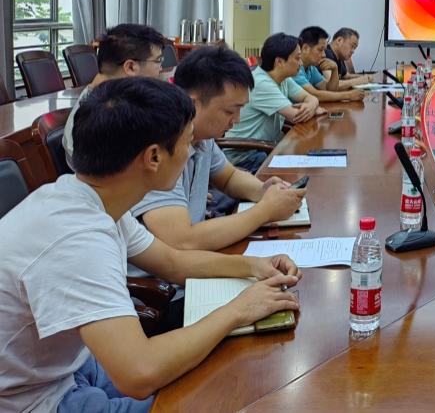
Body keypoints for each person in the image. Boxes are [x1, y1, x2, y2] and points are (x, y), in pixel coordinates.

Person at [0, 77, 301, 413]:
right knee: (218, 398)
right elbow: (139, 373)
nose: (192, 152)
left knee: (219, 374)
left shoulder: (89, 197)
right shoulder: (77, 238)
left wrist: (253, 266)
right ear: (154, 157)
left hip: (71, 366)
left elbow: (172, 262)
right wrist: (238, 310)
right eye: (188, 143)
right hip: (35, 400)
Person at [128, 47, 307, 330]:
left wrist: (264, 191)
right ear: (193, 104)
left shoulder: (201, 138)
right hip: (161, 296)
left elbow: (229, 177)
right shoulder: (160, 152)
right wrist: (265, 211)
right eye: (230, 111)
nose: (237, 121)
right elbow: (181, 242)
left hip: (188, 272)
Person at [63, 24, 167, 166]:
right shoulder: (99, 121)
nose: (161, 69)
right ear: (130, 67)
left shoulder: (118, 99)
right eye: (158, 61)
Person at [221, 33, 322, 173]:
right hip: (245, 157)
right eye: (297, 58)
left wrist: (312, 103)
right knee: (302, 169)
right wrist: (313, 107)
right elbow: (296, 116)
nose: (300, 63)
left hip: (264, 148)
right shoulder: (262, 83)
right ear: (279, 62)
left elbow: (311, 98)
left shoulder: (283, 79)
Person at [294, 26, 367, 101]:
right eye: (320, 50)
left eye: (324, 50)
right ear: (305, 48)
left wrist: (335, 70)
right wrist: (349, 95)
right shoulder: (295, 67)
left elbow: (328, 89)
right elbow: (315, 95)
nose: (324, 55)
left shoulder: (311, 68)